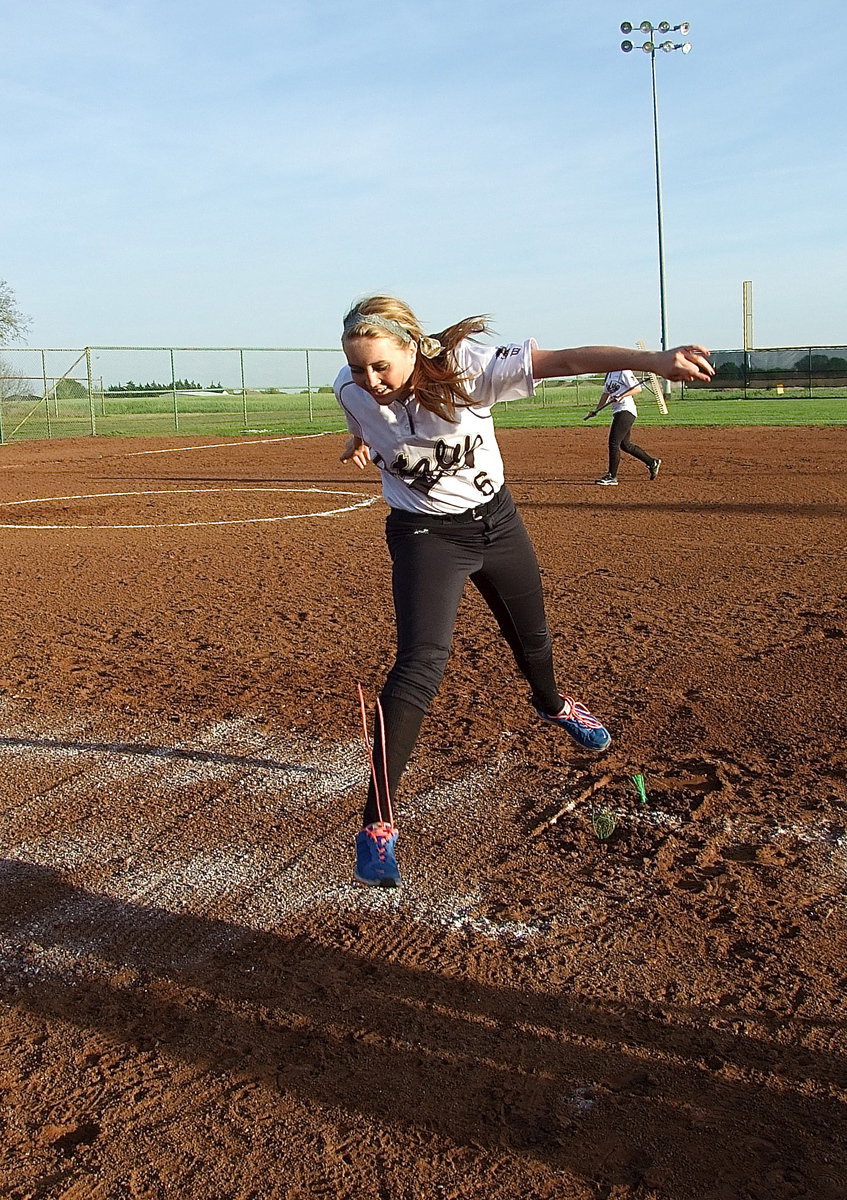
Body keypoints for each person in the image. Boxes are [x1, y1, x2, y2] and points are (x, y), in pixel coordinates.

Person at [334, 296, 713, 887]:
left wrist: (657, 359)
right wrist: (359, 440)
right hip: (425, 534)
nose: (369, 379)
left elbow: (563, 359)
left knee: (531, 638)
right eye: (358, 367)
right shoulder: (351, 388)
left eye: (380, 365)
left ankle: (553, 704)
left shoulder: (467, 368)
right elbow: (359, 412)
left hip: (499, 524)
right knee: (419, 664)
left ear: (412, 347)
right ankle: (377, 826)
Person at [586, 369, 662, 486]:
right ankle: (652, 462)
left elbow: (637, 389)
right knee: (625, 445)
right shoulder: (609, 374)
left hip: (626, 410)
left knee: (613, 443)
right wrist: (596, 410)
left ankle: (612, 476)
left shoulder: (624, 372)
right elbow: (605, 394)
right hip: (618, 411)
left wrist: (621, 395)